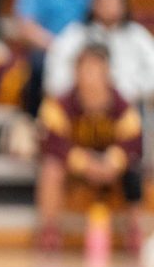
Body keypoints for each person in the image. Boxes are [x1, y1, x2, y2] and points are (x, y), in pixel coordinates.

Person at [35, 43, 144, 254]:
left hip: (110, 164)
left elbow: (133, 141)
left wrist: (114, 161)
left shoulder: (121, 105)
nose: (90, 76)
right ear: (76, 72)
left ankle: (134, 228)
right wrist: (85, 164)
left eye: (96, 69)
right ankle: (50, 229)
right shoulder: (60, 104)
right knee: (50, 169)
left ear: (107, 73)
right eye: (85, 69)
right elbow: (53, 142)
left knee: (134, 169)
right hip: (76, 164)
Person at [12, 0, 106, 116]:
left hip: (88, 47)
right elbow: (25, 25)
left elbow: (109, 18)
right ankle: (38, 120)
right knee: (38, 65)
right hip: (49, 45)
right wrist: (56, 46)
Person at [44, 0, 154, 105]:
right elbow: (55, 72)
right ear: (93, 5)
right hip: (80, 107)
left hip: (129, 104)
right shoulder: (76, 34)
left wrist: (134, 89)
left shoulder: (136, 35)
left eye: (114, 2)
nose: (109, 7)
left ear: (124, 5)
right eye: (104, 2)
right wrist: (78, 92)